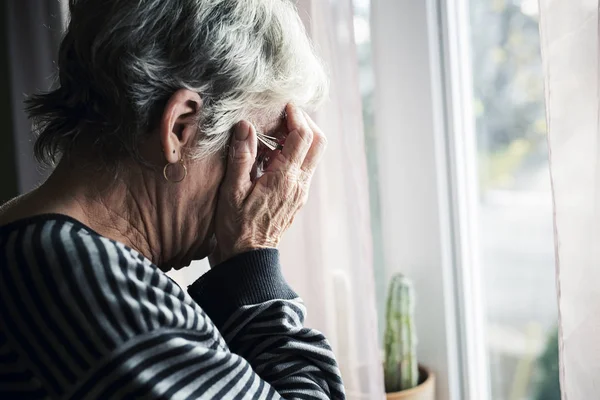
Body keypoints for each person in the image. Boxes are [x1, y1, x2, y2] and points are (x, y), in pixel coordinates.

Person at [0, 0, 345, 399]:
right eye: (262, 152)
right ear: (181, 128)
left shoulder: (37, 250)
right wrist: (254, 258)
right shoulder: (88, 281)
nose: (261, 184)